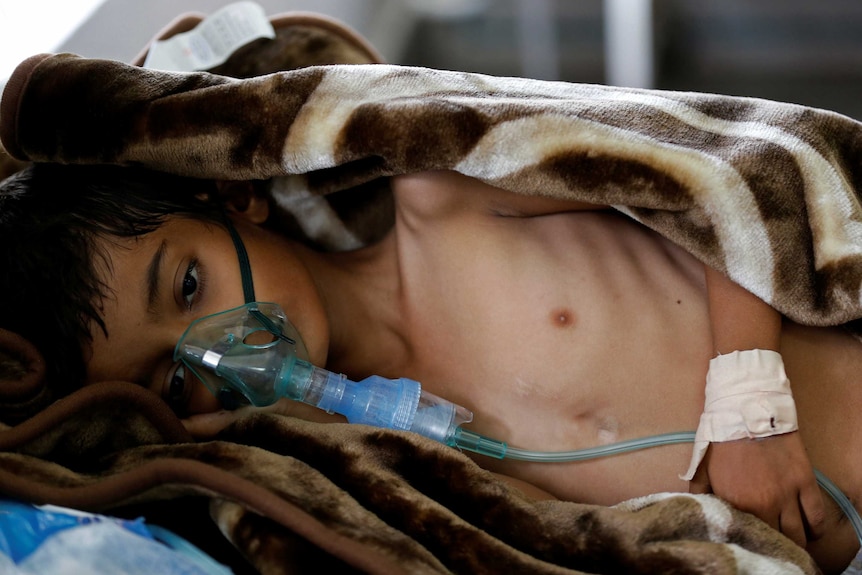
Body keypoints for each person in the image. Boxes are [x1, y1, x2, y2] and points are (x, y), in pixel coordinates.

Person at [0, 162, 858, 573]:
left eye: (190, 284)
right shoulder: (371, 470)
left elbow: (717, 173)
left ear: (232, 199)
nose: (222, 349)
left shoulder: (446, 200)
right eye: (176, 378)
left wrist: (752, 400)